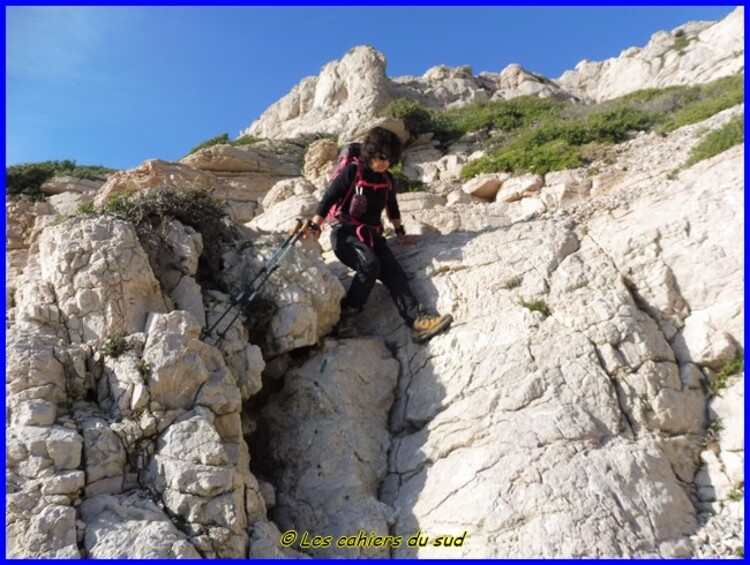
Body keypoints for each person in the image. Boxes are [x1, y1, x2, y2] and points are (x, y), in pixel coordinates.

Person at [306, 126, 453, 343]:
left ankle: (416, 323)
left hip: (373, 236)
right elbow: (329, 198)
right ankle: (347, 316)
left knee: (395, 274)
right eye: (382, 157)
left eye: (390, 159)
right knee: (370, 263)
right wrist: (315, 226)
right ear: (371, 152)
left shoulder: (386, 179)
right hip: (345, 235)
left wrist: (400, 233)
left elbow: (392, 207)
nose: (385, 163)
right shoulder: (353, 171)